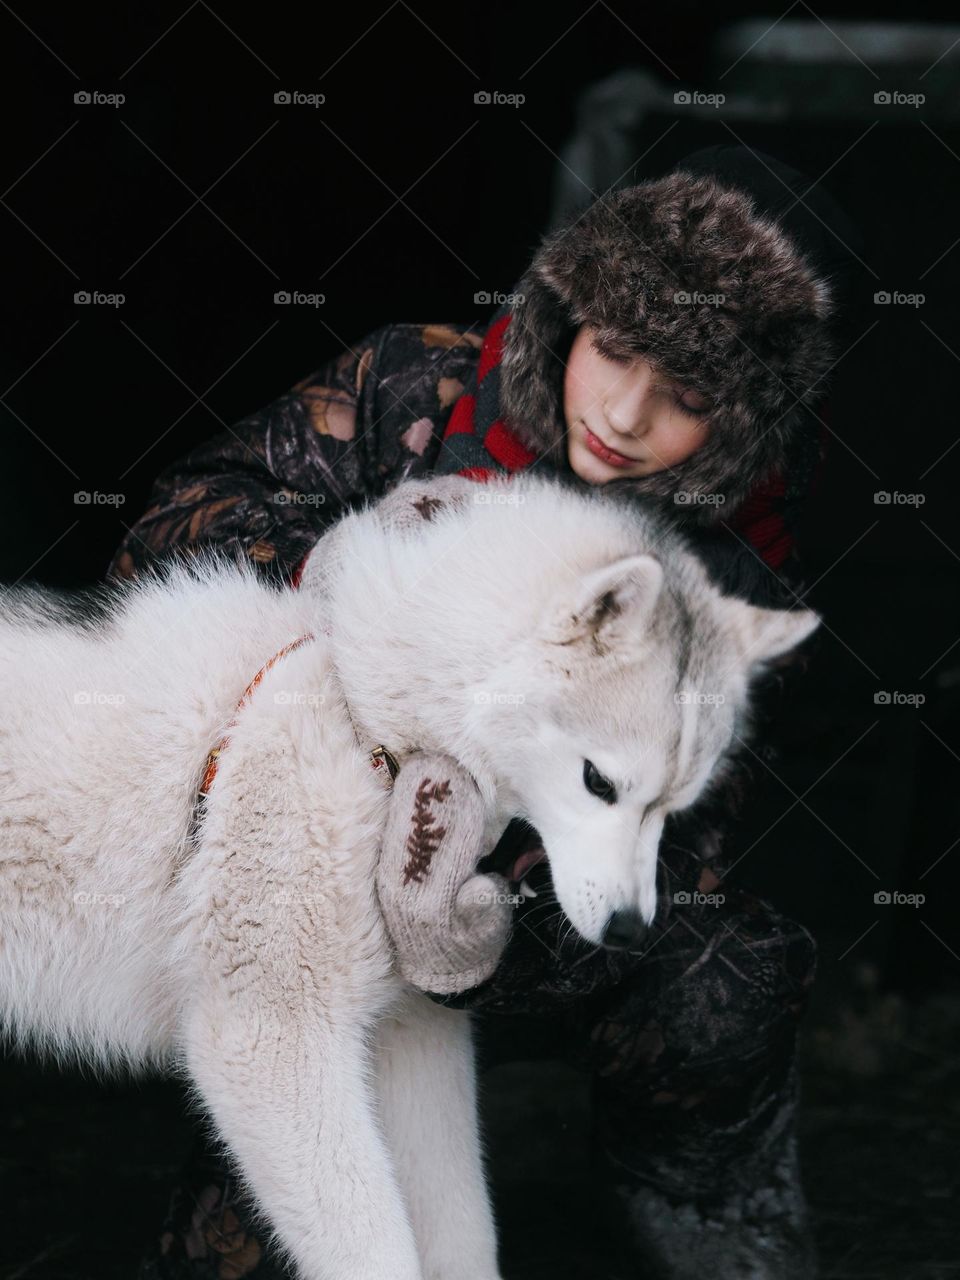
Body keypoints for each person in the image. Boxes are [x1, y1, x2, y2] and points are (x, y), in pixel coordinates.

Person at [109, 145, 864, 1279]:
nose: (622, 412)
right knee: (281, 1201)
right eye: (613, 349)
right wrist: (336, 565)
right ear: (574, 314)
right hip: (294, 885)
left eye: (689, 397)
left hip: (518, 928)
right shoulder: (419, 385)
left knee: (732, 974)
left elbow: (685, 847)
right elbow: (172, 523)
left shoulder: (728, 589)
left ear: (748, 417)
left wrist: (465, 924)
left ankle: (702, 1206)